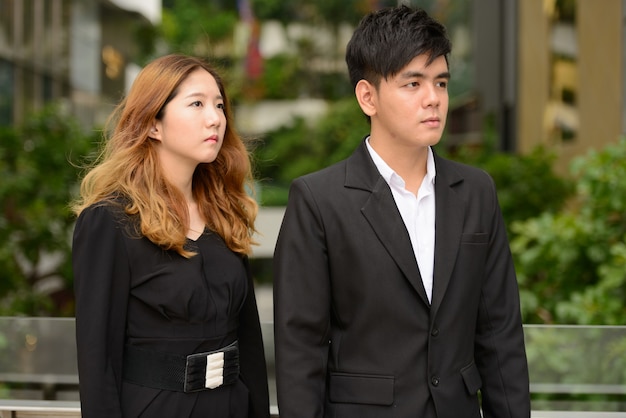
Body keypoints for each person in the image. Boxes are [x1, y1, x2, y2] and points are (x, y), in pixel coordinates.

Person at [273, 5, 530, 418]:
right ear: (367, 96)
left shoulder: (476, 191)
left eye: (441, 83)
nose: (434, 99)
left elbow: (499, 334)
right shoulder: (318, 200)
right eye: (413, 83)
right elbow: (299, 350)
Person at [71, 54, 269, 418]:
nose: (216, 118)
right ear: (153, 125)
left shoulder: (225, 213)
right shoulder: (109, 221)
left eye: (220, 105)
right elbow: (97, 362)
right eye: (197, 104)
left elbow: (250, 345)